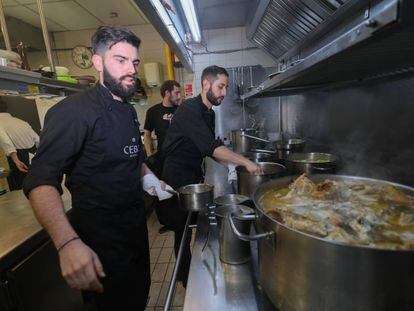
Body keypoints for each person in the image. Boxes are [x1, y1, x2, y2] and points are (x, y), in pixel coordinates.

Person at [23, 26, 166, 311]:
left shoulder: (126, 111)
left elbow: (131, 160)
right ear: (98, 62)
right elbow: (39, 181)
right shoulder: (72, 112)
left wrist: (150, 179)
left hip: (135, 236)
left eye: (134, 62)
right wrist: (67, 244)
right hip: (100, 246)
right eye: (120, 60)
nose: (131, 70)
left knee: (139, 298)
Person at [159, 65, 262, 287]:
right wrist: (244, 162)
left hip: (193, 175)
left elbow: (209, 148)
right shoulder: (188, 110)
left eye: (225, 87)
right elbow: (212, 147)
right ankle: (186, 280)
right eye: (220, 86)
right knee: (182, 230)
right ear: (206, 84)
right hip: (176, 179)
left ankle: (193, 270)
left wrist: (230, 166)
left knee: (194, 226)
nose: (224, 92)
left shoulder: (209, 113)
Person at [143, 80, 181, 234]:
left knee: (177, 188)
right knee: (161, 189)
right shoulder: (153, 111)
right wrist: (150, 155)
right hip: (161, 158)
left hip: (179, 157)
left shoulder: (182, 110)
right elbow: (147, 135)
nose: (180, 96)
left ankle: (179, 219)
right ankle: (166, 222)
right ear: (167, 93)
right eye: (177, 93)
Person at [0, 109, 39, 191]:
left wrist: (16, 161)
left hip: (18, 159)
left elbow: (6, 141)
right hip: (33, 156)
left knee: (20, 188)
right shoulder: (21, 122)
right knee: (34, 186)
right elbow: (38, 140)